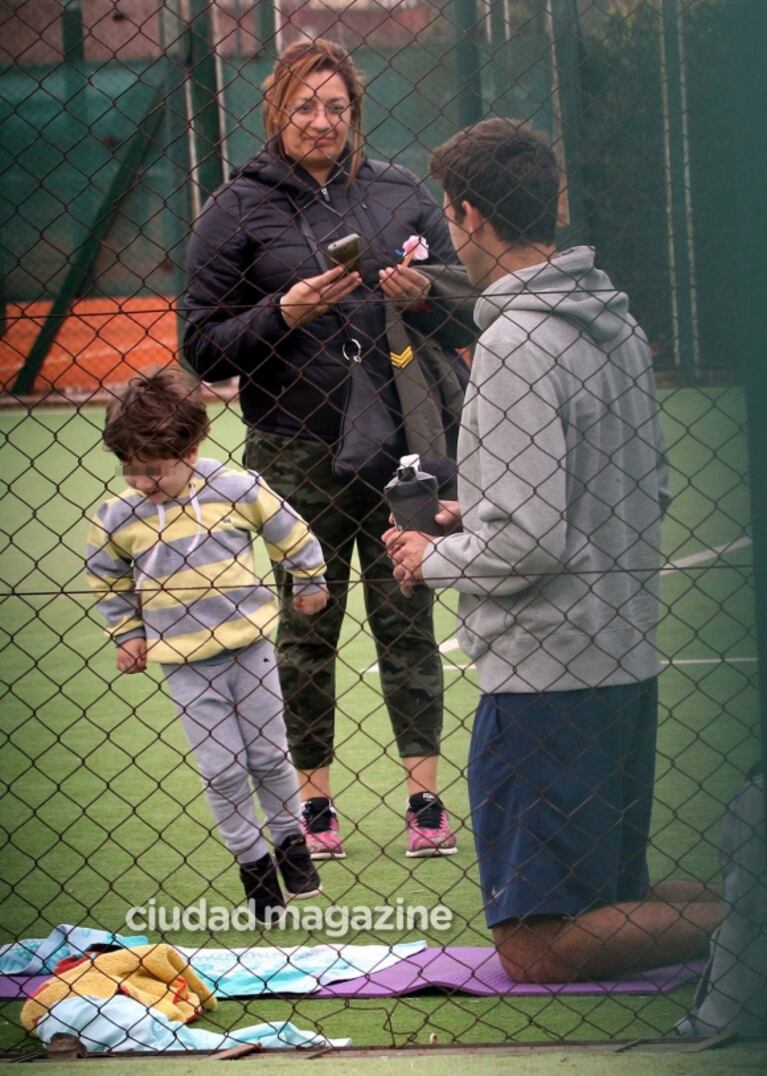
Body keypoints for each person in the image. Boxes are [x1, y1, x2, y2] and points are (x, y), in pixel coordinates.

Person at [384, 118, 723, 982]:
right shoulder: (610, 323)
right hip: (621, 656)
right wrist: (478, 516)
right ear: (553, 201)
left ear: (465, 216)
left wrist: (432, 557)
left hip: (545, 679)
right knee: (615, 895)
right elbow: (638, 493)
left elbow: (530, 539)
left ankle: (743, 921)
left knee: (535, 947)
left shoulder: (514, 341)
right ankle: (738, 913)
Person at [183, 39, 475, 860]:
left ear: (355, 114)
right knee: (306, 630)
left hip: (403, 451)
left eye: (335, 108)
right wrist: (284, 312)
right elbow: (201, 348)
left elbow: (462, 313)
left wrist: (424, 298)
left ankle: (424, 800)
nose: (321, 122)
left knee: (408, 620)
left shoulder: (398, 192)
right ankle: (312, 807)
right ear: (276, 110)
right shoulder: (235, 208)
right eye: (305, 107)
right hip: (291, 448)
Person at [86, 367, 327, 925]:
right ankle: (254, 865)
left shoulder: (237, 488)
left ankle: (292, 844)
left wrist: (310, 578)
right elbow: (106, 575)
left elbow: (288, 528)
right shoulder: (119, 516)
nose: (141, 481)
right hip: (185, 665)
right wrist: (127, 632)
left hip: (250, 650)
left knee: (268, 755)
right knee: (221, 769)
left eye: (154, 470)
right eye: (130, 469)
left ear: (192, 449)